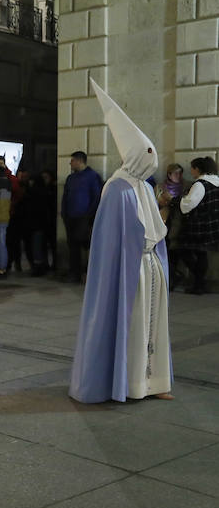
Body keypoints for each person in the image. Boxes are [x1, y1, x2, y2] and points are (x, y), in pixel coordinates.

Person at [70, 80, 172, 403]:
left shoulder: (141, 185)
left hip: (148, 268)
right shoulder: (117, 188)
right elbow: (108, 244)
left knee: (151, 330)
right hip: (131, 273)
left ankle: (151, 383)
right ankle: (128, 384)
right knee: (134, 328)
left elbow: (154, 228)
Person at [176, 157, 219, 295]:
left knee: (184, 250)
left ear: (198, 169)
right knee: (202, 254)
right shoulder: (216, 182)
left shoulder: (200, 184)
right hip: (212, 224)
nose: (191, 171)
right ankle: (200, 284)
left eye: (192, 168)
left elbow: (188, 205)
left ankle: (199, 283)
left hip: (199, 225)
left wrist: (178, 200)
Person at [62, 150, 103, 282]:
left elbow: (96, 197)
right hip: (70, 217)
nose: (70, 163)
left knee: (86, 245)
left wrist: (89, 215)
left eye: (72, 160)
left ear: (80, 161)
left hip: (84, 217)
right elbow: (65, 196)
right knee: (72, 245)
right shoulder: (71, 178)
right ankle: (74, 272)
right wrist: (64, 213)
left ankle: (88, 273)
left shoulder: (92, 177)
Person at [156, 163, 186, 288]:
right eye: (175, 173)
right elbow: (157, 202)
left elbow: (185, 203)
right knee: (167, 251)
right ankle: (170, 279)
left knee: (177, 252)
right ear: (169, 174)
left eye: (180, 173)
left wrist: (171, 200)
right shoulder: (160, 186)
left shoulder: (185, 186)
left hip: (180, 222)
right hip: (165, 220)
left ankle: (176, 277)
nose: (178, 176)